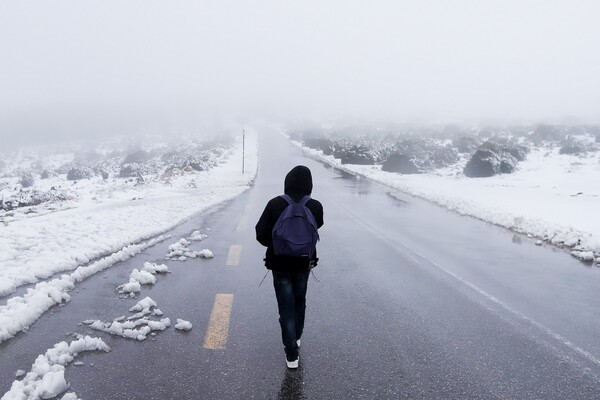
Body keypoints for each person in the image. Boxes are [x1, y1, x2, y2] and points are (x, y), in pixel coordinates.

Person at [255, 165, 324, 369]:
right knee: (299, 302)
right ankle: (297, 336)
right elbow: (316, 228)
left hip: (280, 264)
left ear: (287, 183)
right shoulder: (315, 206)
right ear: (309, 185)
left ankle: (291, 354)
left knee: (285, 309)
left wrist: (279, 244)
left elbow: (260, 233)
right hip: (304, 262)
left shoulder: (275, 204)